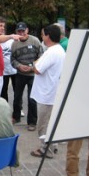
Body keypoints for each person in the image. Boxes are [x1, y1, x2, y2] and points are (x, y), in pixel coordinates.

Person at [29, 24, 65, 159]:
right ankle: (52, 146)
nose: (42, 37)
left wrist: (34, 64)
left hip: (47, 93)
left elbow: (38, 68)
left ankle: (46, 149)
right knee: (49, 122)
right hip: (51, 91)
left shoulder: (52, 51)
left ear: (48, 36)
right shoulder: (58, 49)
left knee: (43, 124)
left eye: (43, 34)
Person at [11, 22, 43, 131]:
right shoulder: (14, 43)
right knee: (17, 97)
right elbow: (12, 59)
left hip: (33, 75)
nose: (21, 33)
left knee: (32, 99)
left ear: (27, 30)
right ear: (16, 32)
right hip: (20, 74)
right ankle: (16, 117)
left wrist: (32, 67)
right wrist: (19, 66)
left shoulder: (35, 41)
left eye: (23, 31)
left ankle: (32, 122)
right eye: (19, 31)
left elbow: (41, 57)